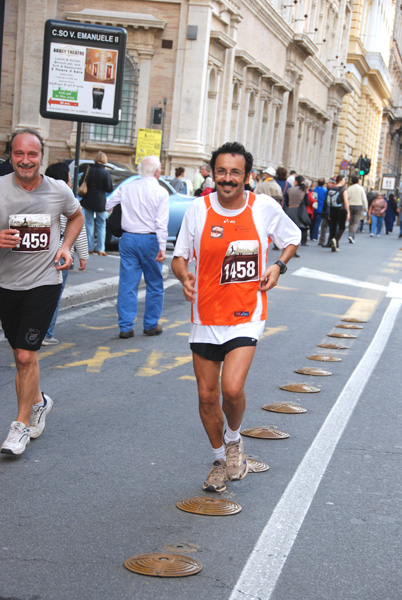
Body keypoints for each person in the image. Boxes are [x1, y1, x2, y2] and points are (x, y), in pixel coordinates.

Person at [171, 141, 301, 493]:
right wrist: (184, 277)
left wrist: (278, 265)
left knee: (231, 388)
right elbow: (179, 257)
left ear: (248, 177)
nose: (228, 179)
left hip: (247, 312)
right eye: (222, 172)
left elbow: (292, 237)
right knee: (206, 396)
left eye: (235, 173)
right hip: (205, 315)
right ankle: (218, 458)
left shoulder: (264, 208)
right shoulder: (198, 210)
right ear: (213, 174)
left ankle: (234, 439)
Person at [0, 128, 84, 455]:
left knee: (25, 355)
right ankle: (39, 401)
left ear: (41, 157)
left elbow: (76, 216)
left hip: (44, 282)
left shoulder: (57, 190)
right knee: (20, 355)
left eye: (32, 154)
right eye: (19, 154)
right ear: (11, 155)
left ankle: (19, 427)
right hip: (6, 284)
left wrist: (65, 246)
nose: (25, 160)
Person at [105, 155, 169, 338]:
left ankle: (125, 326)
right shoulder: (161, 192)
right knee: (155, 284)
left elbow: (108, 203)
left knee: (128, 283)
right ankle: (150, 324)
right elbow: (161, 223)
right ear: (157, 172)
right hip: (150, 240)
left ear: (141, 171)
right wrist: (162, 247)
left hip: (128, 238)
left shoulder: (127, 186)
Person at [42, 162, 89, 346]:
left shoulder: (41, 196)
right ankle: (46, 333)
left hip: (41, 251)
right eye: (69, 176)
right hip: (62, 253)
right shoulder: (69, 199)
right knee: (54, 294)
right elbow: (79, 230)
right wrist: (83, 255)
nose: (71, 179)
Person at [79, 151, 113, 256]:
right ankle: (100, 248)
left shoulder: (88, 170)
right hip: (100, 201)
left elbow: (81, 183)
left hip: (88, 199)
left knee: (89, 224)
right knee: (101, 225)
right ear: (104, 160)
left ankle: (89, 248)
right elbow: (109, 189)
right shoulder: (105, 173)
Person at [283, 175, 310, 246]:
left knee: (290, 228)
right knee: (302, 227)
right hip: (300, 210)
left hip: (290, 210)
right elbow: (307, 202)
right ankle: (302, 241)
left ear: (296, 181)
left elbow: (287, 201)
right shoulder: (304, 190)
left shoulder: (289, 190)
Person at [327, 174, 350, 252]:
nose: (345, 181)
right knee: (342, 227)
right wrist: (348, 212)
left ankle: (334, 245)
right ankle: (335, 240)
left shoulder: (331, 189)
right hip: (341, 209)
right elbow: (346, 201)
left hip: (332, 209)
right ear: (340, 180)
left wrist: (328, 212)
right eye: (344, 180)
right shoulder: (343, 189)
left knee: (333, 227)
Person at [347, 176, 368, 243]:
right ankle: (352, 235)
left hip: (350, 205)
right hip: (358, 206)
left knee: (351, 221)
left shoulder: (349, 188)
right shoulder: (361, 188)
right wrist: (366, 207)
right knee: (356, 222)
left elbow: (347, 197)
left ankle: (350, 234)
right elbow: (364, 199)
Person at [311, 178, 327, 242]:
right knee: (317, 223)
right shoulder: (325, 191)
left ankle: (311, 234)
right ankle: (314, 236)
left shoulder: (314, 190)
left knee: (312, 222)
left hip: (314, 208)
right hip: (321, 208)